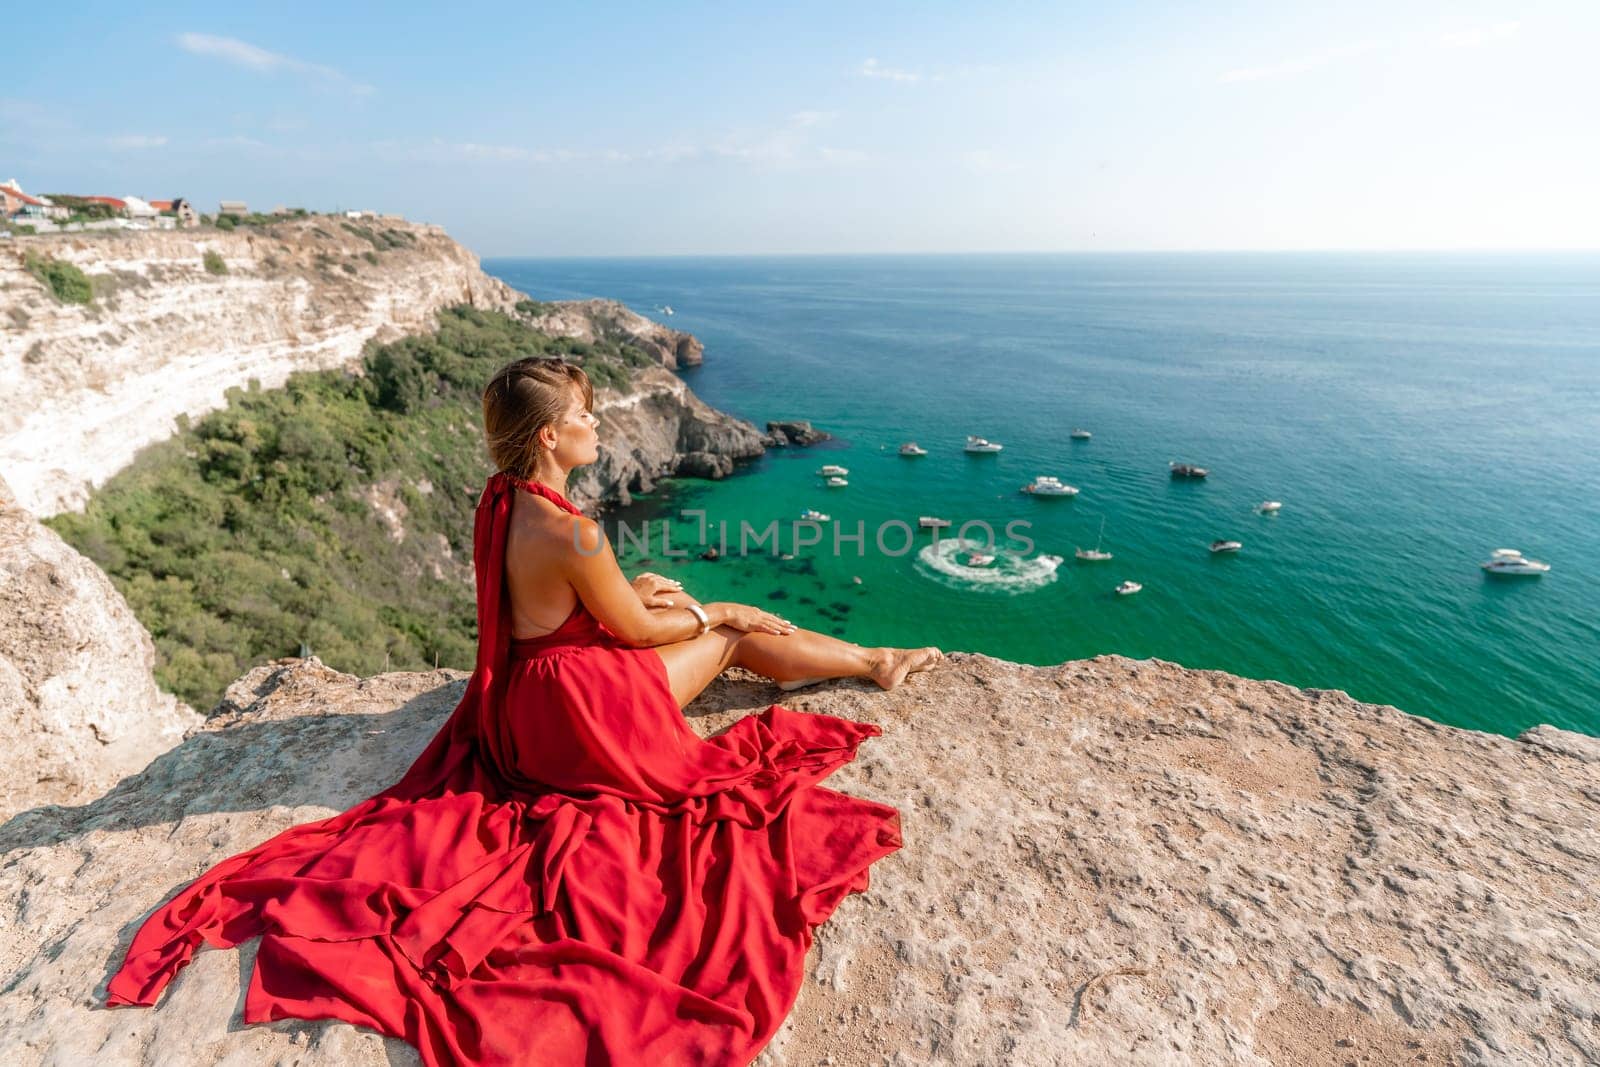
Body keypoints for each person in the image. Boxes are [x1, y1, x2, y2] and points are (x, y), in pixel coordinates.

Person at [105, 356, 943, 1066]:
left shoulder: (501, 498)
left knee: (680, 606)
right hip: (584, 714)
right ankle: (879, 661)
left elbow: (560, 610)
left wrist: (635, 596)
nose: (599, 426)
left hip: (520, 712)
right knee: (734, 641)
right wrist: (717, 611)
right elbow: (635, 630)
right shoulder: (575, 533)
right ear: (550, 436)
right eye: (586, 415)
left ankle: (853, 654)